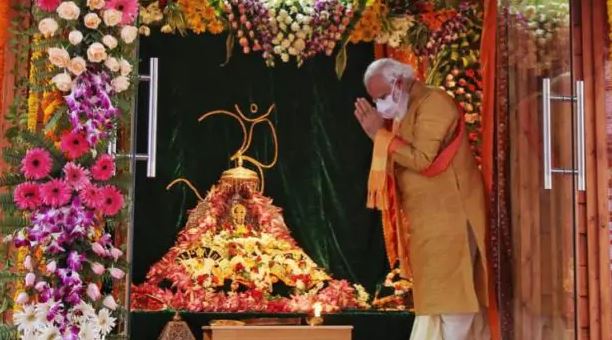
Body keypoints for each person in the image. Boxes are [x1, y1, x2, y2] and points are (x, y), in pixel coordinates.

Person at [354, 58, 490, 340]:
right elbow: (399, 161)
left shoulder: (435, 103)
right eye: (375, 99)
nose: (380, 105)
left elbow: (423, 159)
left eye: (381, 96)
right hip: (430, 221)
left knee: (454, 300)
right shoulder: (408, 109)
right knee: (438, 301)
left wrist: (378, 134)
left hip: (451, 216)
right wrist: (382, 137)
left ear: (399, 82)